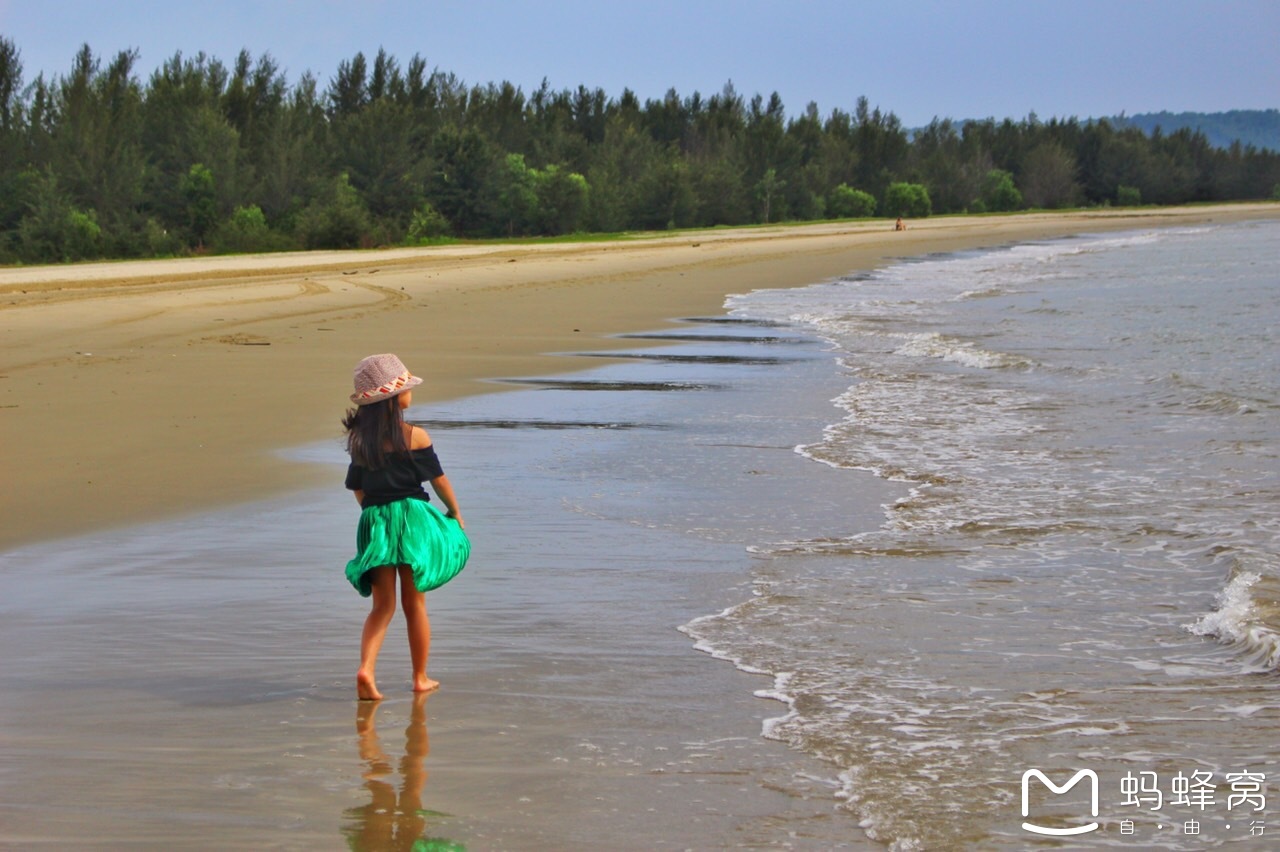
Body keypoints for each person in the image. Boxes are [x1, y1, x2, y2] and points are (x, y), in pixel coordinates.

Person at [342, 353, 470, 700]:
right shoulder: (415, 436)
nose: (411, 392)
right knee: (415, 605)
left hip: (377, 522)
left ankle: (366, 669)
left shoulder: (359, 442)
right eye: (407, 387)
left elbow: (357, 487)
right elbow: (438, 480)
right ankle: (420, 677)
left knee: (382, 607)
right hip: (413, 522)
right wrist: (454, 511)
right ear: (393, 398)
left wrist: (373, 513)